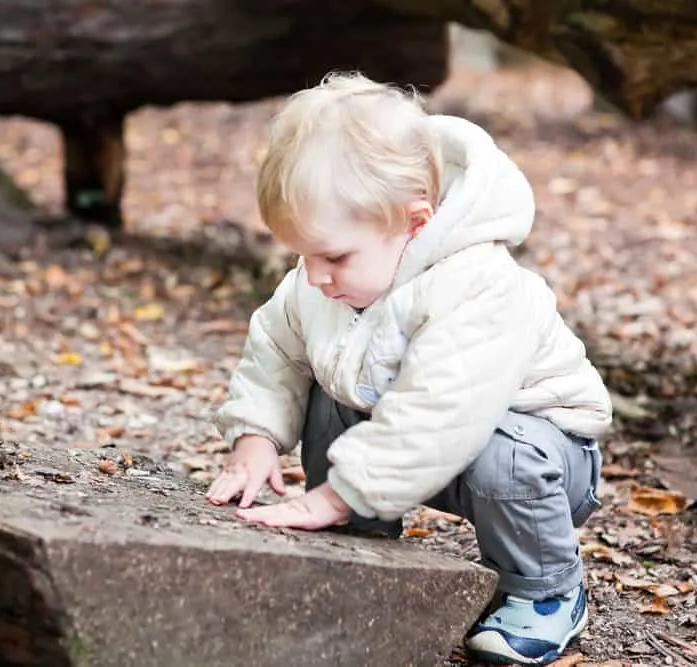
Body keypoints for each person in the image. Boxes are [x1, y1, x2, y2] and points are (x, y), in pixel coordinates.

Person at [207, 71, 612, 666]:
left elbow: (443, 409)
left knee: (505, 455)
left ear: (413, 222)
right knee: (330, 390)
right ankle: (362, 530)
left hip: (539, 457)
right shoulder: (328, 279)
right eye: (303, 254)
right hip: (416, 445)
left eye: (334, 256)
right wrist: (255, 436)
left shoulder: (476, 285)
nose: (315, 275)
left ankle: (546, 591)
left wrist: (340, 492)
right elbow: (277, 346)